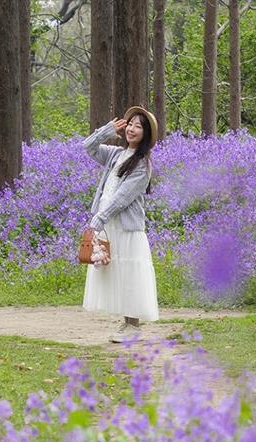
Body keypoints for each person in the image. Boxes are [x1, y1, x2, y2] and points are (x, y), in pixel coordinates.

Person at [82, 106, 160, 342]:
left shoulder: (143, 164)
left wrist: (99, 218)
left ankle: (133, 326)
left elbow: (122, 198)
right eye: (131, 124)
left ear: (146, 134)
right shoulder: (116, 155)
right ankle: (126, 323)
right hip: (111, 225)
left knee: (130, 273)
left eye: (139, 126)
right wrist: (107, 130)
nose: (132, 129)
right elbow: (88, 147)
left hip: (126, 227)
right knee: (116, 271)